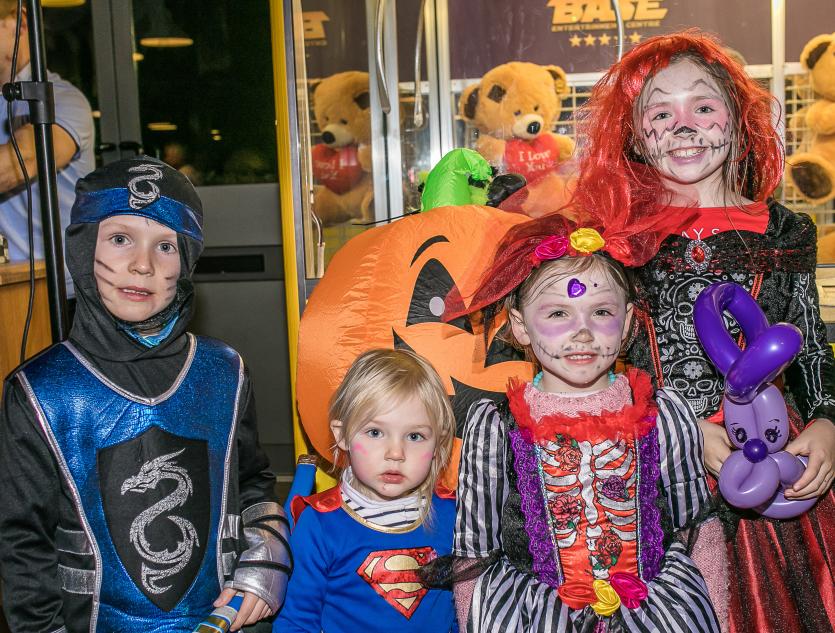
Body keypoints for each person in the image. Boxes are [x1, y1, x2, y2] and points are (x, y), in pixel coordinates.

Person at [572, 30, 835, 632]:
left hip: (777, 462)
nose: (683, 125)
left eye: (703, 106)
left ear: (738, 122)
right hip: (654, 471)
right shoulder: (616, 239)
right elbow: (599, 362)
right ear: (634, 136)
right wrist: (681, 431)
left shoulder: (783, 229)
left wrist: (827, 423)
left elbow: (811, 346)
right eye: (660, 111)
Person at [0, 157, 290, 632]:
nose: (142, 264)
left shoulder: (224, 371)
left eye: (166, 246)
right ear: (82, 247)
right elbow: (22, 545)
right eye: (119, 239)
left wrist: (266, 566)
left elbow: (255, 483)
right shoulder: (40, 392)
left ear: (188, 261)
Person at [448, 214, 718, 632]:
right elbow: (474, 550)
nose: (583, 332)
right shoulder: (495, 426)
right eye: (558, 313)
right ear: (520, 326)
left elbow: (699, 530)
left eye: (601, 312)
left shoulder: (664, 414)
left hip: (658, 616)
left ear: (627, 321)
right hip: (535, 619)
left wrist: (713, 612)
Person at [274, 349, 458, 633]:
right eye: (375, 432)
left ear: (437, 445)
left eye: (414, 436)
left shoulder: (456, 514)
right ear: (342, 435)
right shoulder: (320, 523)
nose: (396, 452)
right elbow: (297, 621)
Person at [0, 1, 95, 299]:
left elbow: (18, 163)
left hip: (64, 299)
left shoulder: (63, 100)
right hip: (8, 294)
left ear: (20, 22)